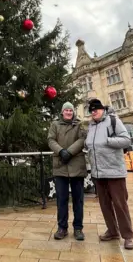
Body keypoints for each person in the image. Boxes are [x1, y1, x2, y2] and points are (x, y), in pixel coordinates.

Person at [85, 98, 133, 250]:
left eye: (96, 109)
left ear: (103, 109)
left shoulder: (113, 121)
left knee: (120, 205)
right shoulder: (91, 126)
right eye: (91, 110)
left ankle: (128, 236)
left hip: (114, 171)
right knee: (105, 204)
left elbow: (126, 140)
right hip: (98, 173)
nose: (94, 112)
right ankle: (113, 231)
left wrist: (107, 140)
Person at [47, 101, 87, 241]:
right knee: (61, 199)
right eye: (66, 110)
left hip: (76, 164)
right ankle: (62, 227)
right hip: (60, 165)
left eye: (71, 110)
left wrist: (69, 152)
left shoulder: (79, 124)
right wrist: (61, 151)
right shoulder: (55, 124)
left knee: (78, 199)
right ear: (62, 112)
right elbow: (51, 140)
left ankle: (78, 228)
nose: (69, 113)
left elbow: (82, 140)